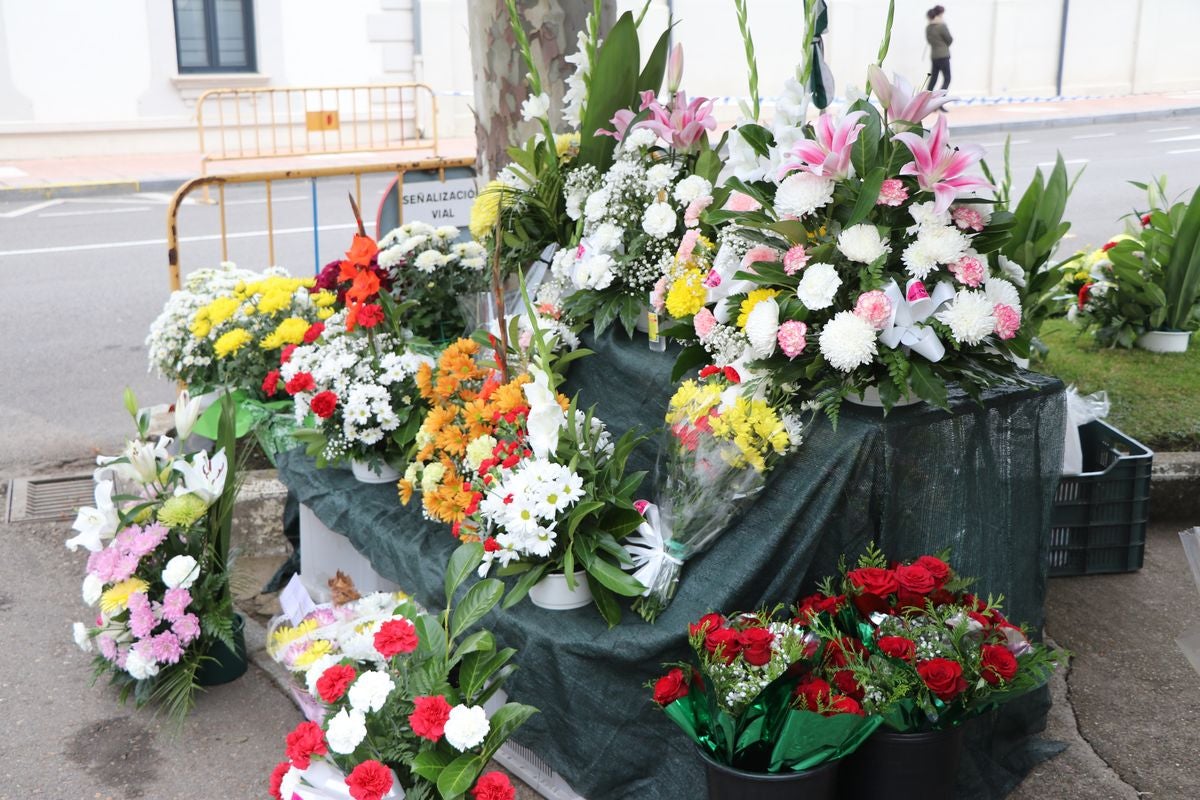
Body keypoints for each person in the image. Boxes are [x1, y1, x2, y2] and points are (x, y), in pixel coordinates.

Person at [925, 5, 952, 91]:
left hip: (934, 56)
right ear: (939, 15)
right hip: (943, 56)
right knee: (947, 78)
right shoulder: (941, 26)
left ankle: (926, 100)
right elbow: (950, 40)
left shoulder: (928, 28)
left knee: (933, 79)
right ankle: (939, 100)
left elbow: (929, 42)